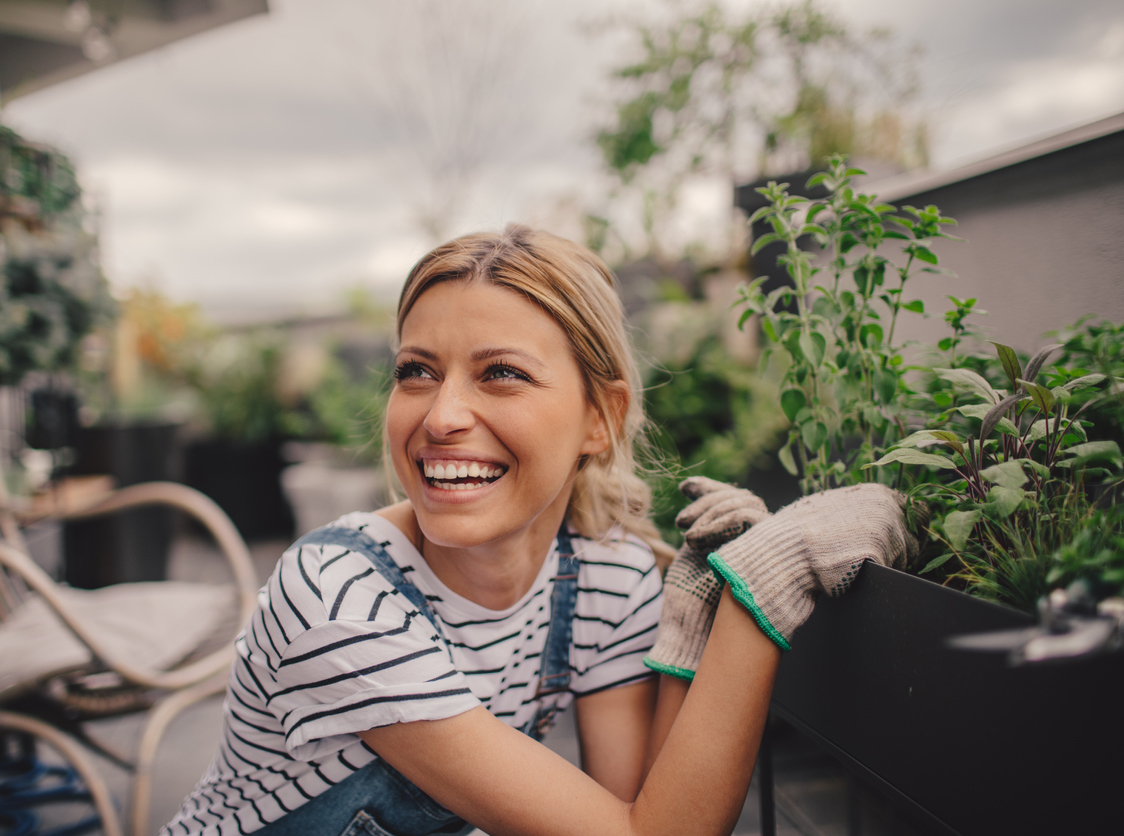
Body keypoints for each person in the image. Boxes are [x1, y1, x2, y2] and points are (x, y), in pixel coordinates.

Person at [163, 225, 919, 836]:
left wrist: (694, 617)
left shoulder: (600, 576)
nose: (440, 415)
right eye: (416, 371)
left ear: (601, 418)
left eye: (501, 374)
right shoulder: (337, 601)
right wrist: (766, 588)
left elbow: (649, 815)